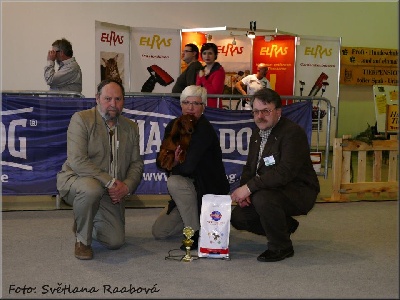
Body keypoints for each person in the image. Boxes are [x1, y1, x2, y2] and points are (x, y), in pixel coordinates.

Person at [56, 79, 144, 260]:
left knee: (115, 241)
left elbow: (136, 163)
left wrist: (126, 186)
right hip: (76, 181)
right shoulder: (81, 119)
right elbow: (77, 161)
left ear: (123, 101)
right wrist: (110, 181)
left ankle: (84, 219)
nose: (113, 104)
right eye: (108, 98)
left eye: (118, 99)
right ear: (97, 98)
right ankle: (82, 241)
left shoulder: (131, 127)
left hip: (110, 191)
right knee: (91, 189)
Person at [230, 88, 320, 262]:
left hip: (298, 190)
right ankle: (285, 225)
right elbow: (250, 167)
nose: (260, 116)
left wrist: (249, 188)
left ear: (278, 112)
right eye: (256, 111)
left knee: (263, 199)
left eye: (266, 111)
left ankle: (281, 246)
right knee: (238, 218)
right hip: (272, 188)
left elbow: (284, 172)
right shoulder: (257, 133)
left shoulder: (293, 133)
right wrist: (244, 191)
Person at [152, 85, 230, 250]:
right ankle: (193, 217)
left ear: (203, 107)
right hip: (188, 192)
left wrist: (173, 163)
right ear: (181, 105)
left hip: (208, 190)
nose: (190, 107)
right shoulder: (173, 125)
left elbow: (187, 168)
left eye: (196, 103)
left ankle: (194, 232)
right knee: (159, 232)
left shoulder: (204, 129)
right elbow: (159, 162)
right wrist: (172, 162)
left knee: (174, 182)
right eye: (186, 102)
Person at [196, 43, 225, 109]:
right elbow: (197, 89)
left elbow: (213, 92)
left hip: (213, 107)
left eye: (210, 53)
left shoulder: (219, 71)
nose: (207, 56)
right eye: (204, 53)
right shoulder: (201, 70)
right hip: (201, 106)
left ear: (215, 55)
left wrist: (202, 78)